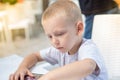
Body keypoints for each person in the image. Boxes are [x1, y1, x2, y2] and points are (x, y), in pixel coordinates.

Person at [9, 0, 108, 80]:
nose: (54, 42)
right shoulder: (60, 49)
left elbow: (88, 65)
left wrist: (49, 76)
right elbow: (35, 56)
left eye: (59, 34)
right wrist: (22, 67)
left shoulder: (87, 47)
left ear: (79, 29)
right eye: (50, 36)